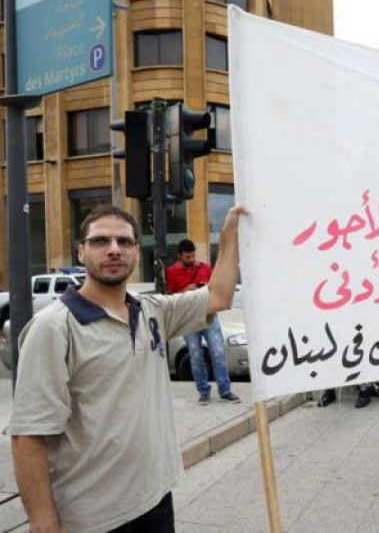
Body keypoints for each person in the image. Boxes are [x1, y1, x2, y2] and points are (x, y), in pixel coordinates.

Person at [9, 204, 246, 533]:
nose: (113, 249)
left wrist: (229, 233)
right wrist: (42, 521)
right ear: (81, 252)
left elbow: (218, 296)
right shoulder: (53, 327)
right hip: (94, 519)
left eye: (123, 241)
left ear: (136, 252)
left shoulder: (152, 310)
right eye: (100, 241)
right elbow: (29, 434)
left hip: (156, 499)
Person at [167, 238, 240, 405]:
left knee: (218, 352)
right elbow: (170, 299)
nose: (191, 259)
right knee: (195, 355)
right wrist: (185, 291)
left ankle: (225, 390)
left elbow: (214, 289)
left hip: (209, 314)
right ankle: (203, 391)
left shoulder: (204, 268)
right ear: (179, 256)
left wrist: (205, 288)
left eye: (193, 256)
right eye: (187, 257)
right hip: (189, 319)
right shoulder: (171, 272)